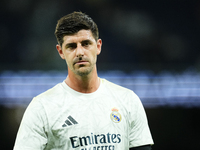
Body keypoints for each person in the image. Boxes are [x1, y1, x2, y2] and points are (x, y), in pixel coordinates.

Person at [13, 11, 154, 150]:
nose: (80, 52)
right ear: (61, 51)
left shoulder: (128, 100)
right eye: (71, 46)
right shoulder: (41, 108)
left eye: (86, 44)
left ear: (98, 46)